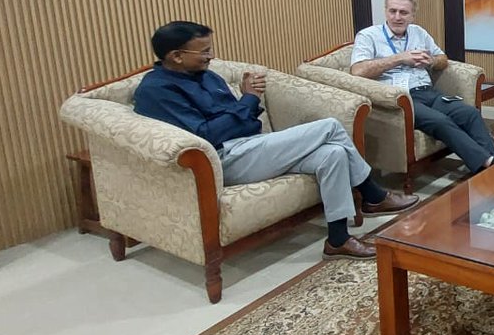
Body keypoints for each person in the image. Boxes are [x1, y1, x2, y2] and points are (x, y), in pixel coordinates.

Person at [133, 21, 418, 261]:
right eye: (204, 51)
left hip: (250, 144)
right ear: (176, 56)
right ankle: (373, 195)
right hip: (221, 160)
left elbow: (244, 119)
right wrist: (246, 99)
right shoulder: (157, 90)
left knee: (333, 154)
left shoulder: (206, 76)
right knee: (330, 127)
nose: (211, 56)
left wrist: (243, 109)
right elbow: (208, 134)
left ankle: (338, 239)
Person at [351, 0, 494, 173]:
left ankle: (491, 167)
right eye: (393, 11)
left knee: (469, 113)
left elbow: (443, 58)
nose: (397, 17)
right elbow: (357, 71)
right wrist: (399, 58)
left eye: (404, 13)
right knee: (440, 121)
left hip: (428, 92)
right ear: (385, 11)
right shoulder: (368, 36)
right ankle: (490, 165)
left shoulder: (418, 33)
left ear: (413, 15)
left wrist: (431, 61)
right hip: (400, 99)